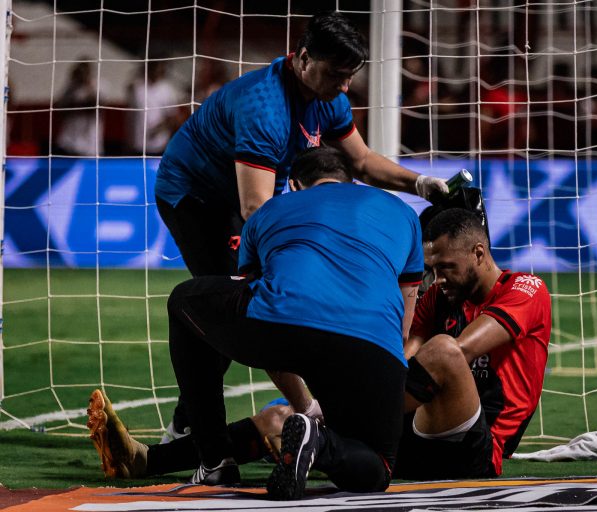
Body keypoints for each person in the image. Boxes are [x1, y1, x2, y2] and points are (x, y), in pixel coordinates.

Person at [88, 206, 551, 485]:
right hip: (414, 432)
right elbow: (401, 351)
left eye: (447, 267)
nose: (439, 278)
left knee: (445, 352)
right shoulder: (435, 296)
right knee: (281, 417)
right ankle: (147, 460)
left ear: (479, 254)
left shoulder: (526, 289)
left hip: (476, 448)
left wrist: (348, 402)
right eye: (432, 268)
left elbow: (461, 352)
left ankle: (323, 433)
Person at [154, 12, 448, 442]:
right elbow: (256, 209)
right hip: (197, 199)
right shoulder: (264, 108)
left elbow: (362, 162)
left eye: (350, 77)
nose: (345, 87)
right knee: (234, 301)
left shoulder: (328, 95)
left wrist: (420, 183)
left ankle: (198, 423)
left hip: (251, 197)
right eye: (337, 75)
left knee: (254, 302)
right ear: (304, 59)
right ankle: (193, 428)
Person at [89, 146, 423, 498]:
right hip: (376, 343)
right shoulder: (403, 213)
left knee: (184, 302)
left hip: (285, 323)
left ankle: (215, 460)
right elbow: (405, 319)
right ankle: (319, 444)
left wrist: (304, 403)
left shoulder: (271, 210)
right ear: (350, 182)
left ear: (293, 185)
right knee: (377, 468)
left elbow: (259, 303)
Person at [127, 59, 182, 156]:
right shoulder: (137, 87)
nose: (158, 71)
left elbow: (173, 117)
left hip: (159, 145)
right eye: (155, 68)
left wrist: (157, 129)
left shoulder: (167, 90)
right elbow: (130, 114)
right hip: (137, 144)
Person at [54, 61, 103, 156]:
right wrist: (72, 84)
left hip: (90, 144)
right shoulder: (71, 88)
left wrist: (88, 84)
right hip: (69, 143)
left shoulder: (99, 85)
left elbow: (96, 106)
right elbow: (58, 108)